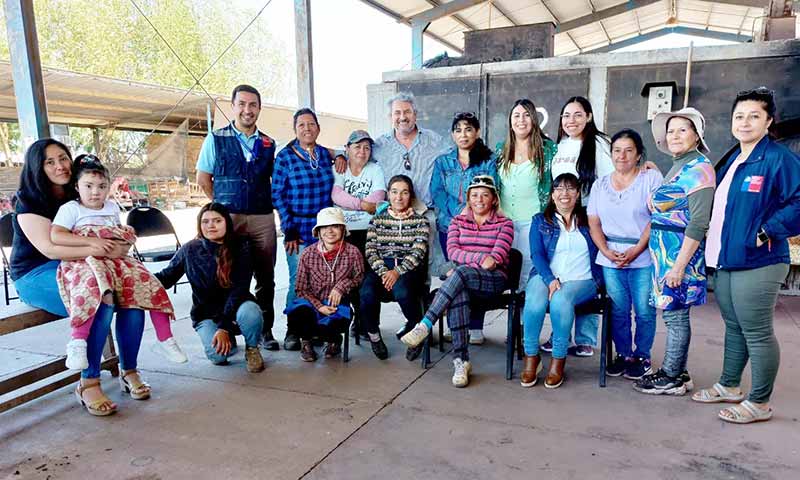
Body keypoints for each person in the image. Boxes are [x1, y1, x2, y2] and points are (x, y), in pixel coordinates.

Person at [11, 139, 147, 417]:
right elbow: (48, 248)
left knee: (131, 297)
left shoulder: (83, 189)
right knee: (98, 301)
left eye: (63, 157)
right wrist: (96, 249)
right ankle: (88, 382)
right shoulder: (28, 200)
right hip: (37, 272)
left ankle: (129, 369)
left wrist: (118, 247)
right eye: (50, 161)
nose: (60, 165)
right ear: (38, 167)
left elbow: (111, 231)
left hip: (87, 264)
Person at [694, 87, 800, 423]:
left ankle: (760, 402)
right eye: (739, 116)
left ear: (769, 121)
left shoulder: (777, 158)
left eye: (754, 116)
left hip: (760, 259)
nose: (745, 122)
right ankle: (729, 385)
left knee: (756, 330)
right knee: (734, 327)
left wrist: (767, 231)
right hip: (726, 258)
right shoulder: (732, 158)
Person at [51, 155, 186, 372]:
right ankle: (77, 341)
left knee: (151, 285)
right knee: (92, 289)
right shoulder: (72, 209)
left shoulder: (112, 207)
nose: (95, 192)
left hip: (116, 262)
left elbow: (117, 234)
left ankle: (165, 338)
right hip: (86, 261)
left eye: (102, 186)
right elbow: (57, 235)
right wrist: (91, 241)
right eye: (89, 186)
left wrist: (126, 233)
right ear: (77, 186)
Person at [401, 175, 513, 388]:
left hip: (493, 281)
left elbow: (494, 260)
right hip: (465, 282)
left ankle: (425, 324)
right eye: (474, 195)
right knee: (458, 293)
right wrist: (479, 258)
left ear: (494, 199)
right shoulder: (457, 221)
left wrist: (469, 260)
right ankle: (461, 361)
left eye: (485, 195)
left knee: (459, 273)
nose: (479, 199)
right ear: (468, 199)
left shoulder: (504, 224)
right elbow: (452, 251)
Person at [633, 107, 715, 396]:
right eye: (671, 131)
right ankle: (678, 370)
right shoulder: (680, 166)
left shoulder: (700, 168)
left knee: (676, 316)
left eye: (683, 129)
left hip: (680, 255)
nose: (675, 135)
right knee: (673, 314)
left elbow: (699, 222)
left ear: (696, 135)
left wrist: (679, 266)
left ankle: (671, 376)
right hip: (665, 253)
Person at [196, 84, 280, 351]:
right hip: (228, 218)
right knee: (225, 273)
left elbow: (273, 180)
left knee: (266, 276)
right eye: (242, 104)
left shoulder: (268, 143)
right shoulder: (216, 138)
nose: (247, 110)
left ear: (259, 108)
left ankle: (265, 331)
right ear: (233, 106)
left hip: (262, 216)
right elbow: (203, 178)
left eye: (253, 105)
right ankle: (226, 329)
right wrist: (221, 208)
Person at [587, 130, 662, 380]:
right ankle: (623, 354)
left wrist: (637, 249)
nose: (622, 155)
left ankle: (642, 355)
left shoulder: (650, 179)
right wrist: (607, 251)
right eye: (617, 150)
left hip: (642, 254)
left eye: (629, 150)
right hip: (610, 255)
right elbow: (594, 222)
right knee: (618, 310)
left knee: (643, 309)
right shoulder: (600, 185)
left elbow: (656, 218)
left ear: (639, 154)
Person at [155, 203, 265, 373]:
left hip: (237, 307)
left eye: (217, 221)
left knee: (251, 312)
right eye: (205, 221)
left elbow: (239, 290)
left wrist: (223, 327)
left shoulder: (242, 246)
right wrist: (137, 277)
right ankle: (228, 340)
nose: (211, 225)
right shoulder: (190, 249)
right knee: (218, 357)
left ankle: (252, 348)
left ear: (227, 223)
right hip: (205, 313)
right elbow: (166, 277)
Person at [520, 173, 603, 389]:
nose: (564, 193)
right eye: (558, 188)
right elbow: (537, 255)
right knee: (535, 301)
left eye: (570, 188)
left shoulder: (589, 219)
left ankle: (558, 360)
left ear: (578, 193)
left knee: (561, 299)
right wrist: (549, 280)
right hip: (546, 275)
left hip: (582, 279)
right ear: (552, 194)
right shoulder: (540, 220)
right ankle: (531, 357)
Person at [546, 96, 612, 357]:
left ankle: (585, 338)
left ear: (589, 116)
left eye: (577, 114)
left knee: (585, 274)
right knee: (562, 273)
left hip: (589, 218)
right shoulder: (559, 146)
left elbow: (608, 183)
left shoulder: (600, 144)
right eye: (566, 115)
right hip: (562, 216)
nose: (570, 121)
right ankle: (559, 333)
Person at [430, 112, 498, 344]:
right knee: (454, 274)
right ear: (452, 134)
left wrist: (470, 210)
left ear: (477, 132)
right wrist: (459, 210)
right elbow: (437, 193)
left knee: (476, 274)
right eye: (458, 129)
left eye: (468, 129)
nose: (463, 134)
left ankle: (476, 326)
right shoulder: (443, 162)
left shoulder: (488, 161)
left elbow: (493, 190)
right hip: (448, 227)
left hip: (480, 229)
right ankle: (455, 324)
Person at [273, 107, 335, 350]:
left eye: (311, 124)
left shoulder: (325, 155)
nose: (307, 129)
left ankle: (316, 329)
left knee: (322, 280)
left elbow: (345, 154)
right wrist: (288, 226)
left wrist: (339, 155)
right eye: (301, 125)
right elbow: (277, 194)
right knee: (298, 279)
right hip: (296, 229)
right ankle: (293, 330)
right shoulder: (285, 157)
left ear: (318, 128)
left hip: (323, 231)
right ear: (295, 130)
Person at [360, 175, 429, 360]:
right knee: (366, 293)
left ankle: (417, 332)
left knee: (402, 291)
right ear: (388, 195)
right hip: (381, 267)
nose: (399, 197)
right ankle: (374, 336)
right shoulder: (377, 220)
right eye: (394, 192)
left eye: (404, 192)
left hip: (408, 268)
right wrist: (385, 273)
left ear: (411, 196)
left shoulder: (420, 222)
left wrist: (397, 272)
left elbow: (418, 252)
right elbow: (370, 250)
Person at [285, 207, 365, 362]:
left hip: (337, 304)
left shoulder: (353, 252)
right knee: (297, 314)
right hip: (312, 303)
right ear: (319, 231)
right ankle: (306, 341)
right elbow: (301, 288)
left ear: (342, 230)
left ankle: (334, 341)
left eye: (335, 226)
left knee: (336, 323)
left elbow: (359, 277)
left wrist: (342, 286)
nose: (330, 231)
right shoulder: (308, 254)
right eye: (325, 227)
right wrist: (318, 306)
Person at [496, 98, 557, 292]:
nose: (521, 120)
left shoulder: (548, 149)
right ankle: (513, 318)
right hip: (504, 221)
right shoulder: (501, 149)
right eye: (516, 115)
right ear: (510, 121)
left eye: (526, 115)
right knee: (507, 272)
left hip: (533, 221)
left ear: (534, 119)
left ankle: (524, 319)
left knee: (528, 272)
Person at [332, 129, 386, 340]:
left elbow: (378, 198)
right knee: (349, 276)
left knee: (369, 277)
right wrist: (362, 204)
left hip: (369, 232)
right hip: (344, 233)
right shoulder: (340, 168)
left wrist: (352, 203)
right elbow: (336, 195)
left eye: (366, 147)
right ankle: (357, 319)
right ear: (347, 149)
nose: (362, 152)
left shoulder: (375, 169)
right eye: (357, 147)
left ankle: (369, 321)